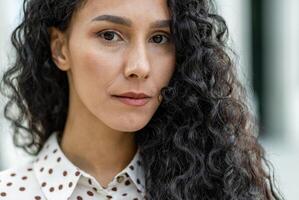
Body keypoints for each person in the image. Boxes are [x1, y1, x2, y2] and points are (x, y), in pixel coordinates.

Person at [0, 0, 283, 199]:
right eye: (110, 35)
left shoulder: (221, 188)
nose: (140, 66)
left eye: (160, 38)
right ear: (60, 48)